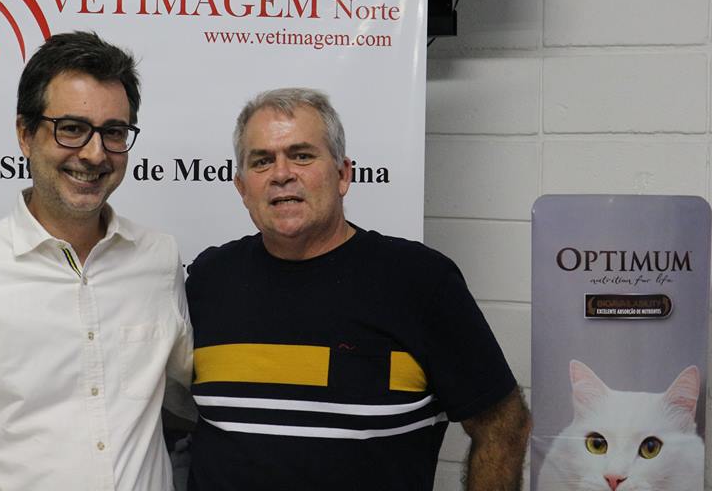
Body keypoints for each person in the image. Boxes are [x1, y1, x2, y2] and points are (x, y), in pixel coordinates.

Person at [185, 87, 531, 490]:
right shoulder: (209, 280)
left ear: (343, 175)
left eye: (302, 155)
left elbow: (504, 424)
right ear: (242, 188)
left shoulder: (420, 281)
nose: (281, 174)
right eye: (262, 161)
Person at [0, 31, 191, 491]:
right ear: (25, 135)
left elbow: (198, 394)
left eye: (113, 132)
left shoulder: (160, 261)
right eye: (71, 128)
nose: (94, 153)